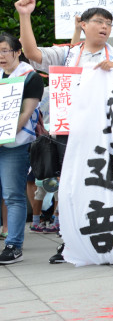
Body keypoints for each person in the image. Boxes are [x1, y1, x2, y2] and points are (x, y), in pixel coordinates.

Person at [16, 0, 113, 265]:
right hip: (67, 131)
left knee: (105, 185)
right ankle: (69, 242)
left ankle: (108, 240)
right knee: (68, 187)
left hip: (105, 131)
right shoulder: (67, 54)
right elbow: (33, 53)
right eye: (99, 22)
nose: (105, 27)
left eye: (108, 24)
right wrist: (25, 16)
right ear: (83, 24)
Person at [0, 33, 44, 265]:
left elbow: (26, 114)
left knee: (13, 195)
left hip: (15, 146)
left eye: (5, 51)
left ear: (17, 52)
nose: (1, 56)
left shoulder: (30, 78)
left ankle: (13, 245)